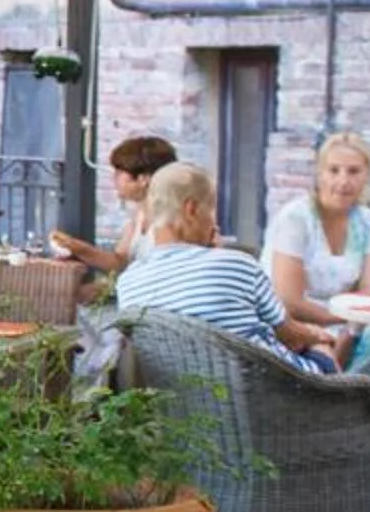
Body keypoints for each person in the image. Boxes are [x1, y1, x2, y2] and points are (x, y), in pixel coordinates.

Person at [265, 130, 370, 486]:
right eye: (334, 170)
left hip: (348, 320)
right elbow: (288, 300)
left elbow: (369, 291)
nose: (343, 181)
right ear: (319, 173)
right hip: (292, 328)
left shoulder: (367, 222)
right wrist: (347, 317)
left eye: (353, 172)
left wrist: (355, 319)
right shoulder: (296, 219)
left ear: (366, 176)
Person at [117, 163, 340, 370]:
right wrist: (317, 336)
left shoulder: (128, 284)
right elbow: (290, 336)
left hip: (186, 394)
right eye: (211, 210)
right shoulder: (236, 264)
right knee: (324, 351)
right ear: (191, 209)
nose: (214, 224)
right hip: (275, 388)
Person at [52, 134, 178, 273]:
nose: (113, 179)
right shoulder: (139, 215)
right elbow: (120, 262)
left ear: (143, 179)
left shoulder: (171, 221)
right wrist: (76, 247)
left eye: (118, 173)